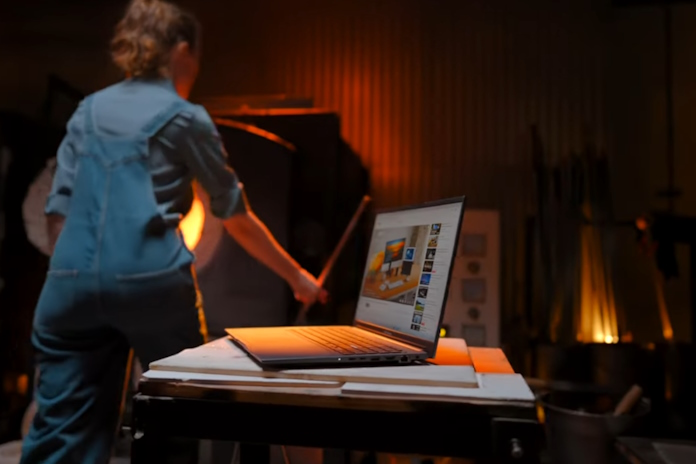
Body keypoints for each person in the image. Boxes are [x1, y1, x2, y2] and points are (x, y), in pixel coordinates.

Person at [19, 0, 326, 463]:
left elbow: (57, 211)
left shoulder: (87, 111)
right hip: (150, 283)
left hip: (68, 284)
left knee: (62, 429)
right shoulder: (185, 117)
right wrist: (298, 276)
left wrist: (79, 279)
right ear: (182, 50)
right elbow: (235, 216)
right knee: (175, 411)